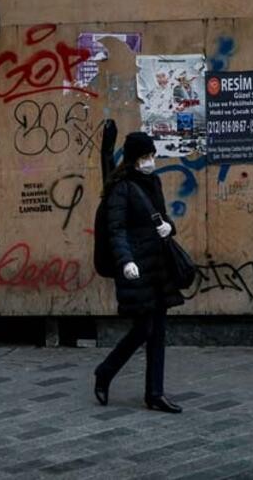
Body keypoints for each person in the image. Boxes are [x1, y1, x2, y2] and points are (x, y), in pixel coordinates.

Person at [94, 131, 184, 413]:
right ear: (133, 159)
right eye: (145, 157)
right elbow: (116, 230)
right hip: (137, 267)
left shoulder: (153, 182)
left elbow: (162, 216)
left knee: (158, 331)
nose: (150, 162)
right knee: (144, 328)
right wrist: (125, 261)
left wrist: (170, 227)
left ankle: (155, 394)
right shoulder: (121, 188)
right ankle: (105, 371)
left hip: (159, 266)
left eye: (152, 156)